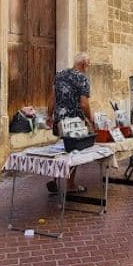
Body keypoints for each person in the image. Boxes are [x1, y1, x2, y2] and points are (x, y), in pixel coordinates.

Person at [45, 52, 93, 194]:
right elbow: (84, 104)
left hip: (59, 118)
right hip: (74, 121)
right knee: (73, 151)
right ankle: (70, 184)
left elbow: (52, 98)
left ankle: (54, 179)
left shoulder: (59, 74)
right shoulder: (82, 78)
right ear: (83, 64)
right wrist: (89, 119)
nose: (88, 66)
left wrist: (49, 115)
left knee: (61, 148)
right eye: (88, 64)